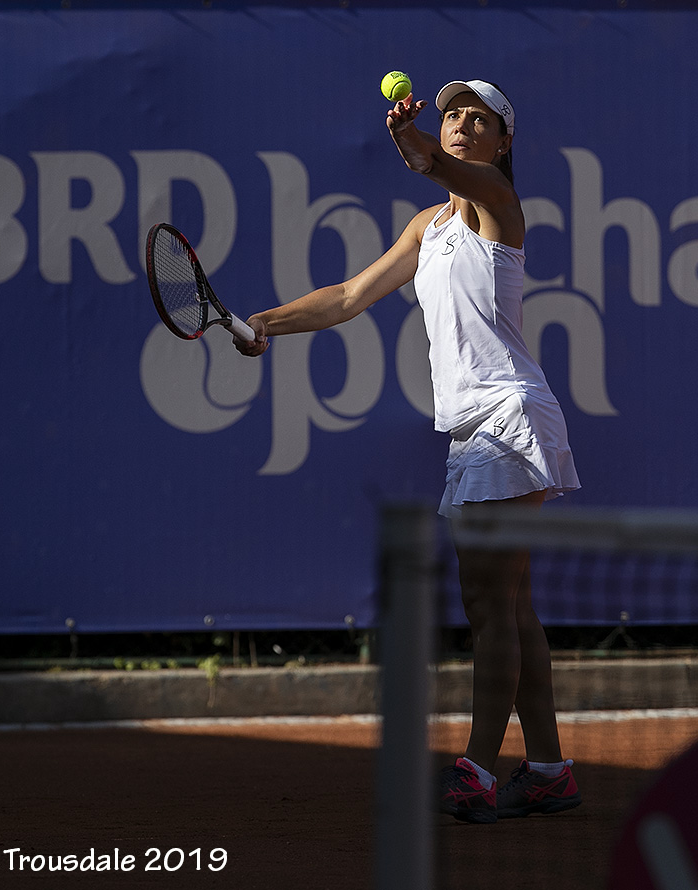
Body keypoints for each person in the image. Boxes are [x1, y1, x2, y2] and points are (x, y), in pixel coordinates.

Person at [234, 79, 582, 824]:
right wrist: (264, 321)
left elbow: (437, 165)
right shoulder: (429, 227)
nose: (462, 124)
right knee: (512, 606)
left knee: (488, 605)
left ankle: (477, 771)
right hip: (475, 430)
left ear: (503, 142)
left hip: (508, 417)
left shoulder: (498, 202)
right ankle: (549, 770)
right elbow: (348, 296)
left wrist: (414, 144)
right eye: (453, 114)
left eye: (479, 120)